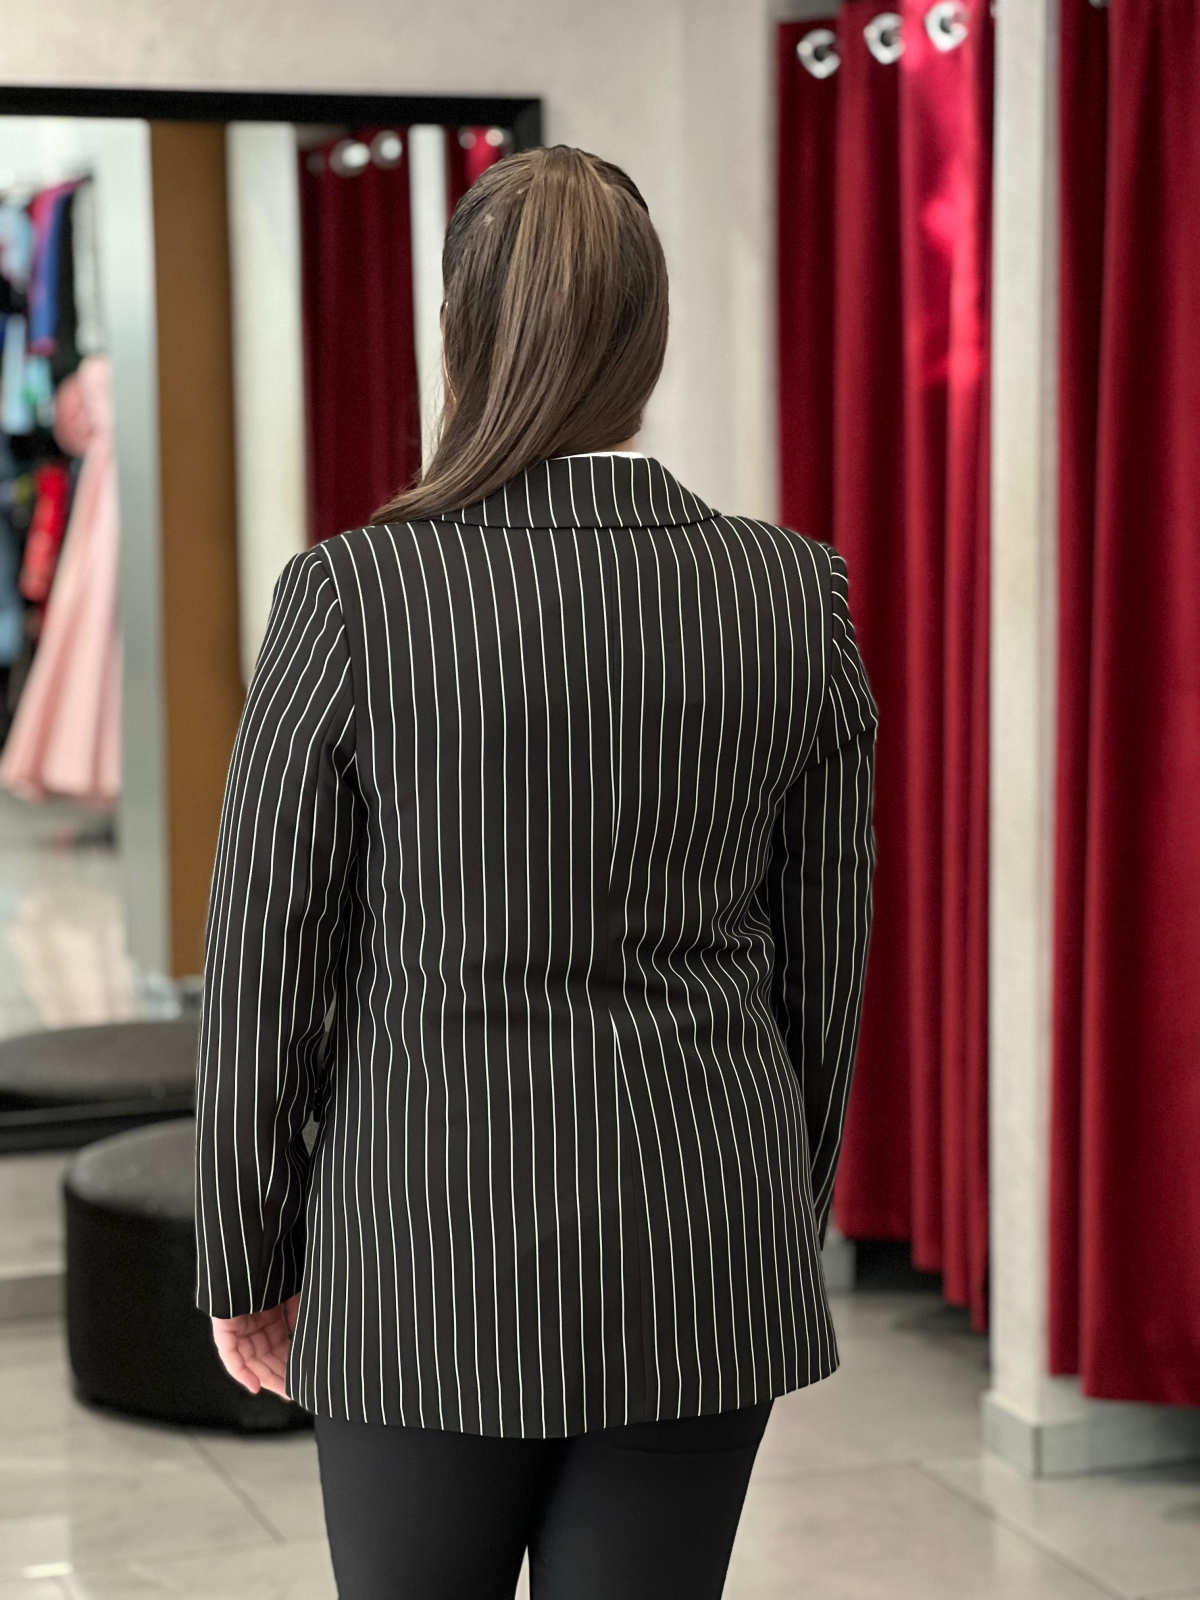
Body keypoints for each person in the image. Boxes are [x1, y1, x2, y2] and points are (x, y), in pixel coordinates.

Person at [195, 145, 877, 1600]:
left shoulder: (353, 595)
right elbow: (827, 963)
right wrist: (773, 1212)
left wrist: (244, 1255)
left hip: (422, 1243)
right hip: (702, 1232)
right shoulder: (792, 595)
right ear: (649, 337)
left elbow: (264, 961)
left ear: (459, 332)